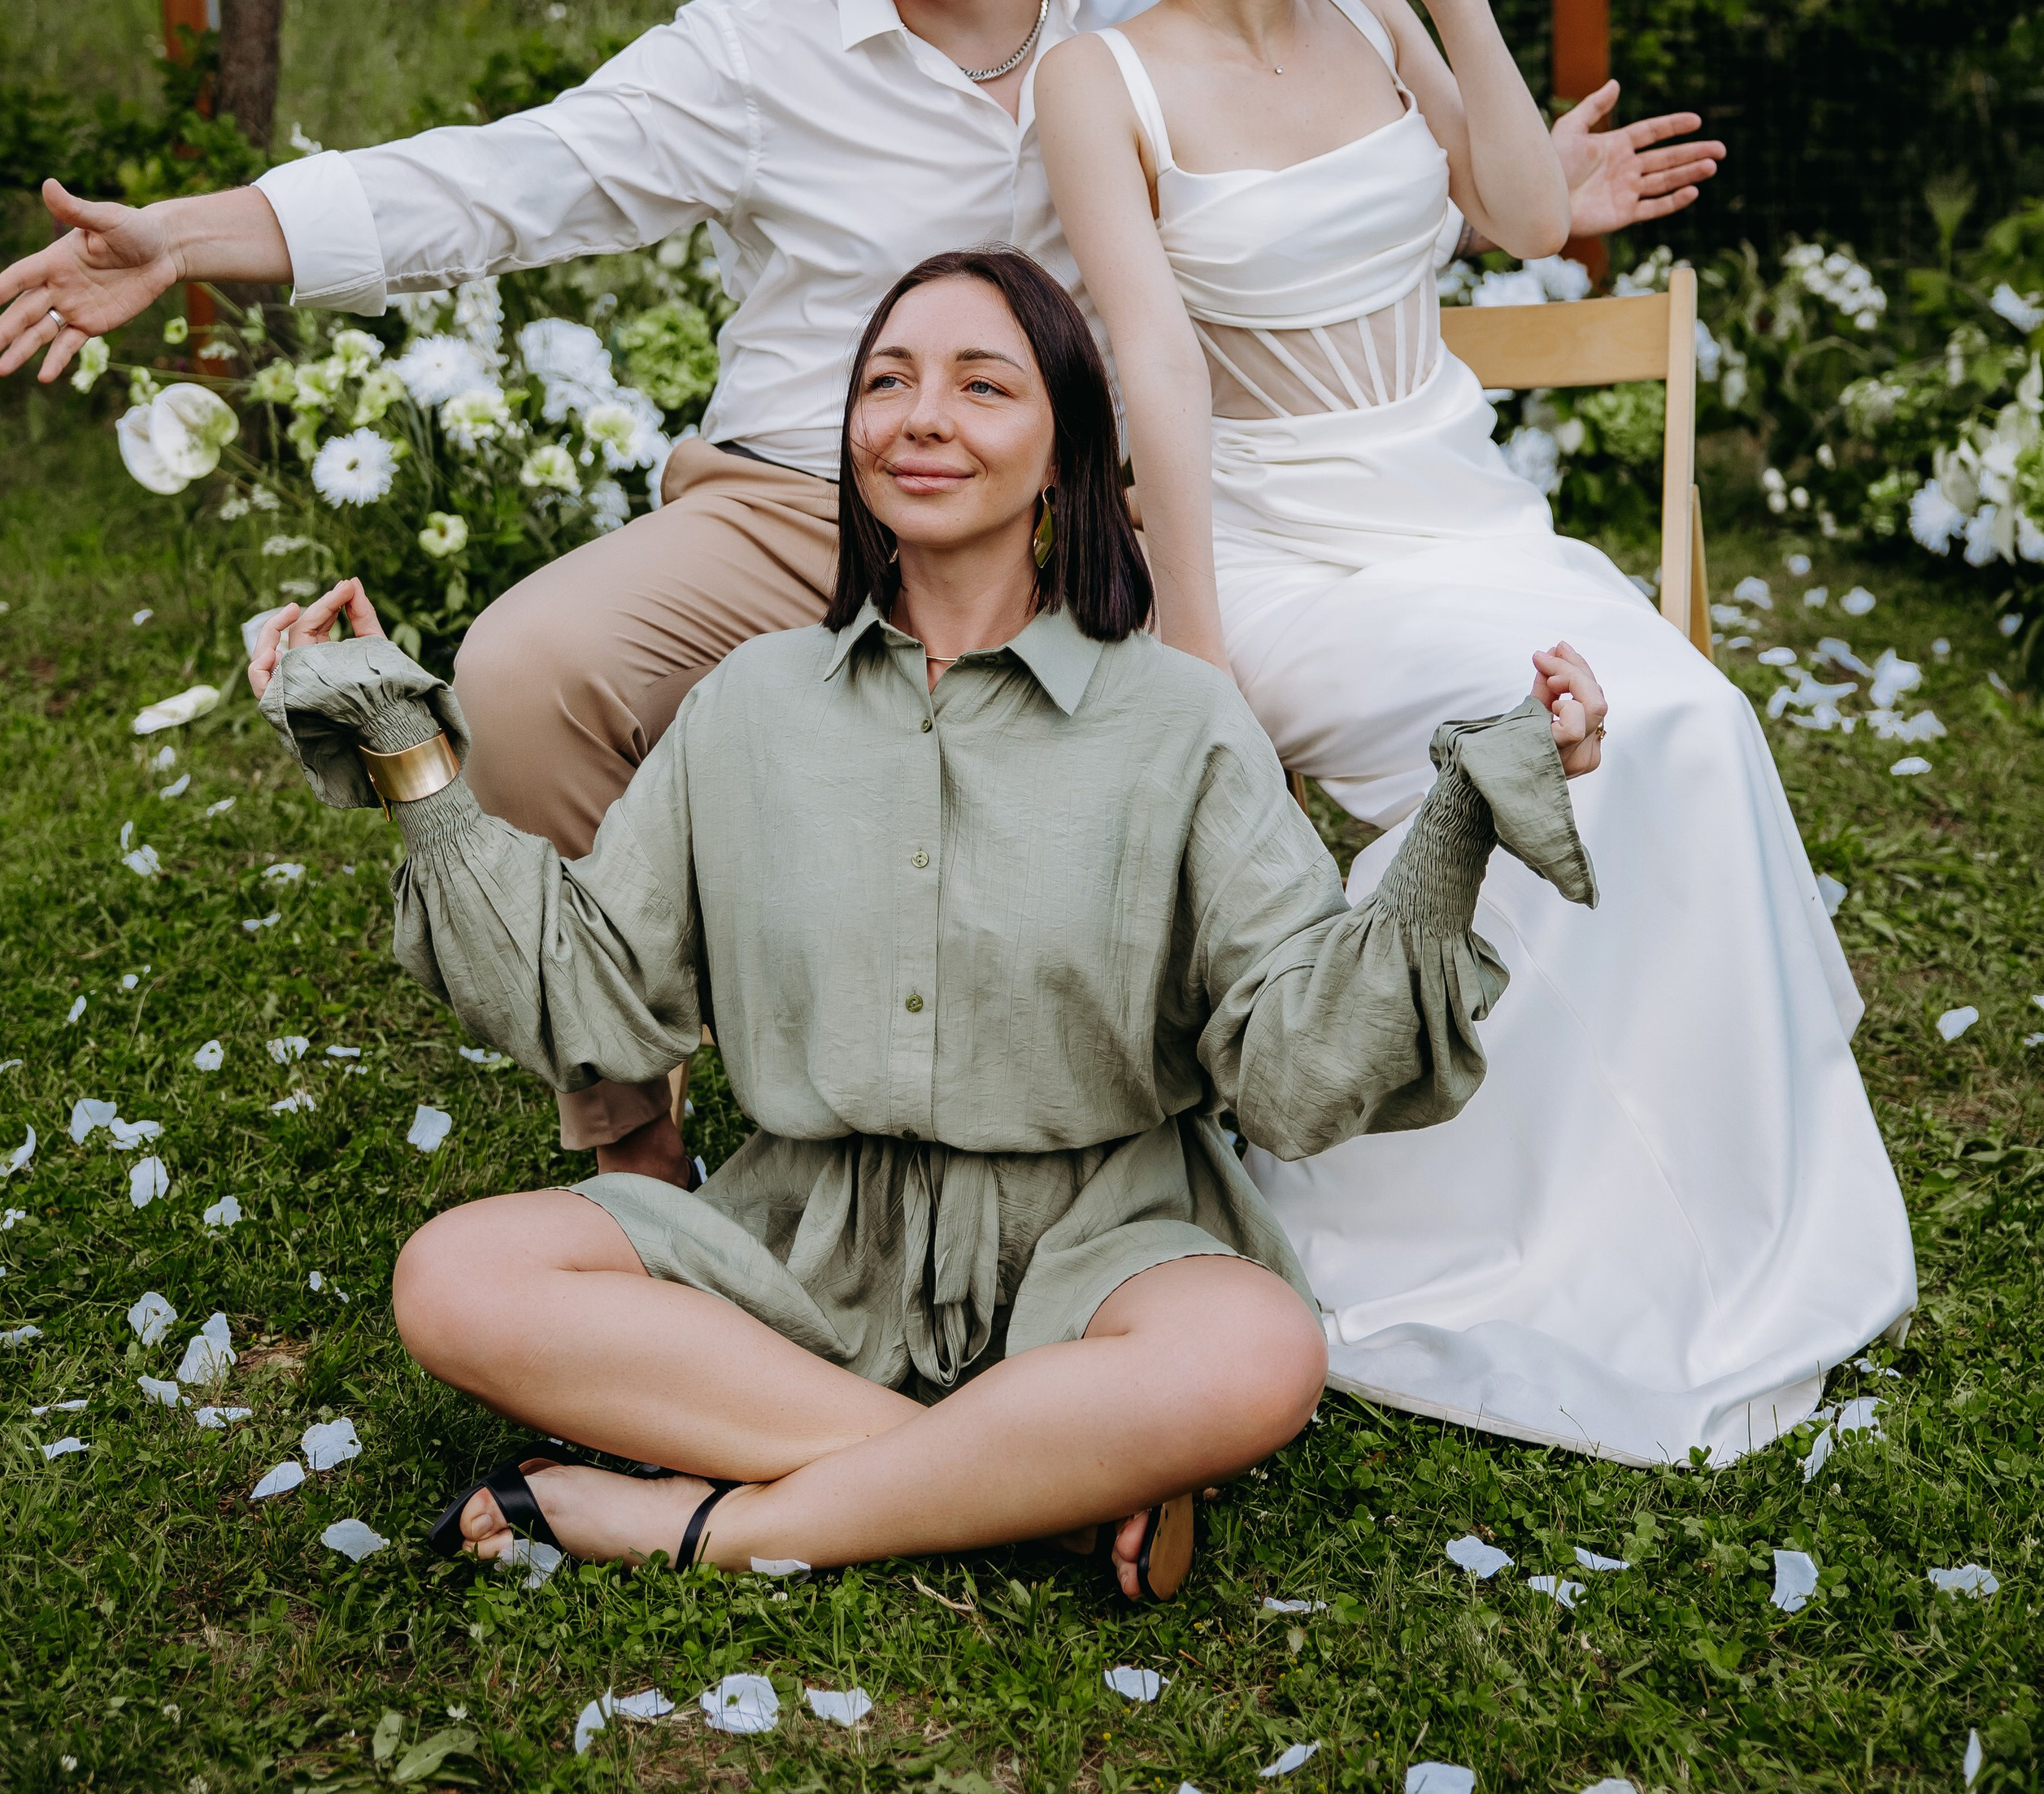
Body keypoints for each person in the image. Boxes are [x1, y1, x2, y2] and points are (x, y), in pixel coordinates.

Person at [0, 0, 1714, 1184]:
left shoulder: (1146, 21)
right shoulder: (751, 57)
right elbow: (503, 183)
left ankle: (1114, 1131)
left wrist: (1515, 189)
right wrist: (191, 236)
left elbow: (1345, 194)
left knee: (1151, 739)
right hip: (794, 507)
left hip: (1060, 528)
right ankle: (631, 1121)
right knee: (518, 672)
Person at [248, 249, 1607, 1591]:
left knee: (1257, 1353)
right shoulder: (752, 702)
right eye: (886, 382)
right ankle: (1033, 1497)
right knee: (453, 1276)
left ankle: (699, 1520)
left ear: (1067, 446)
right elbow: (596, 992)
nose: (921, 418)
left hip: (1105, 1238)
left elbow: (1293, 1057)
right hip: (801, 1241)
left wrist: (1457, 832)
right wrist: (407, 758)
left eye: (981, 385)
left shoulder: (1182, 718)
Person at [1033, 0, 1916, 1470]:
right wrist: (1194, 654)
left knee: (1690, 721)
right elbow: (1153, 374)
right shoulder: (1100, 77)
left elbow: (1521, 214)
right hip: (1285, 555)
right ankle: (1443, 1214)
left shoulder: (1366, 1)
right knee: (1593, 737)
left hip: (1465, 517)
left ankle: (1691, 1195)